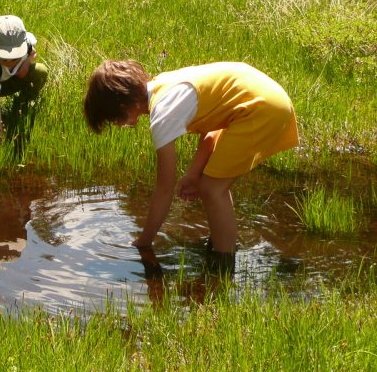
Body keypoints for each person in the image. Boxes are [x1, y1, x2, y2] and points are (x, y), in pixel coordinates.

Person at [83, 60, 298, 255]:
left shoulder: (162, 115)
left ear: (122, 107)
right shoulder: (163, 85)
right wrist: (194, 174)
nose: (118, 125)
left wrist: (143, 242)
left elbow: (165, 189)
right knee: (211, 185)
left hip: (262, 109)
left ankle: (222, 266)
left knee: (213, 190)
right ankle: (221, 244)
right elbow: (212, 127)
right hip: (265, 97)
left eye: (113, 119)